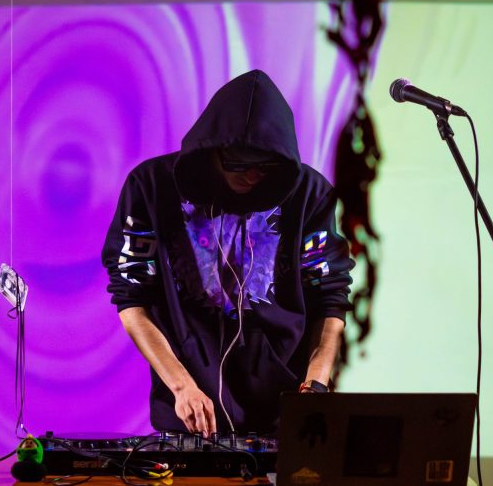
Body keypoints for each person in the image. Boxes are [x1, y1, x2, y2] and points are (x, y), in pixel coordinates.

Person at [102, 69, 354, 437]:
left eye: (265, 168)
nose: (252, 176)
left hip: (283, 414)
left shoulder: (310, 194)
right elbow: (132, 299)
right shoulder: (151, 188)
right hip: (189, 414)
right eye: (238, 163)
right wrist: (181, 387)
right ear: (213, 149)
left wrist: (315, 385)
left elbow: (330, 299)